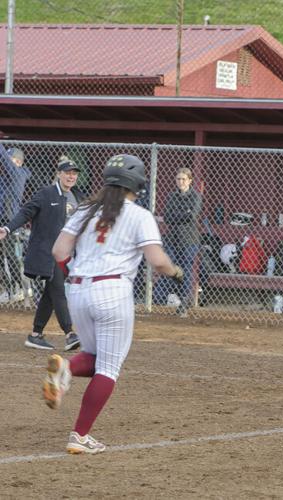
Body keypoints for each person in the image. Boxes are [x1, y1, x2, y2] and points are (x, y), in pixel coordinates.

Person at [44, 154, 184, 454]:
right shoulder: (139, 214)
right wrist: (176, 272)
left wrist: (77, 276)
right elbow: (157, 261)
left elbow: (59, 251)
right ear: (138, 184)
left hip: (78, 291)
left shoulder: (85, 209)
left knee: (94, 356)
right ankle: (79, 436)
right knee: (108, 367)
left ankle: (65, 368)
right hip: (113, 290)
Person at [0, 159, 84, 351]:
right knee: (58, 291)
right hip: (48, 253)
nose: (71, 176)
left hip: (67, 254)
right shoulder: (46, 194)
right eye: (67, 172)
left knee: (50, 294)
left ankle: (36, 335)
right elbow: (25, 212)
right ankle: (70, 333)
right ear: (58, 174)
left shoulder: (77, 196)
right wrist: (7, 228)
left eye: (74, 173)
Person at [152, 167, 202, 316]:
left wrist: (179, 215)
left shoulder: (195, 196)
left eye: (184, 179)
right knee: (170, 267)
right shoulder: (172, 196)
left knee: (186, 269)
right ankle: (162, 298)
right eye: (178, 179)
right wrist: (183, 214)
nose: (180, 182)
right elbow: (167, 217)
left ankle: (185, 302)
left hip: (189, 240)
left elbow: (192, 216)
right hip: (173, 239)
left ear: (190, 181)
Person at [0, 148, 31, 303]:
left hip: (11, 222)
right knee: (1, 259)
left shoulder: (19, 174)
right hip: (1, 219)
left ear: (18, 162)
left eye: (10, 159)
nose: (5, 163)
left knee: (12, 257)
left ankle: (20, 288)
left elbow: (6, 162)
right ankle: (8, 288)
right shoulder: (3, 178)